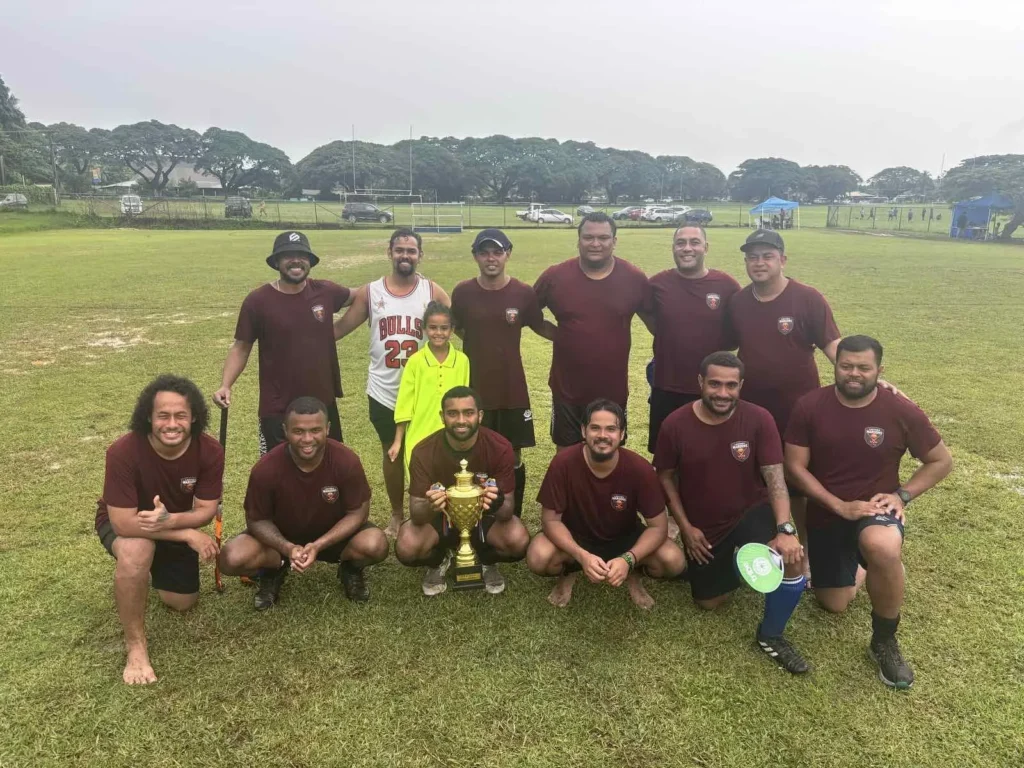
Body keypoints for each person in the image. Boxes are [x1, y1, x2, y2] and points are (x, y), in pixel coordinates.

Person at [784, 336, 952, 689]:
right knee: (834, 603)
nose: (854, 374)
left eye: (864, 367)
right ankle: (872, 566)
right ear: (835, 365)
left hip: (875, 510)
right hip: (828, 511)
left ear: (879, 370)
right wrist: (839, 506)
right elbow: (795, 468)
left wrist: (902, 496)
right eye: (846, 366)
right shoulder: (809, 405)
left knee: (881, 544)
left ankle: (884, 642)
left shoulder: (901, 409)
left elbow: (940, 461)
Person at [654, 352, 809, 673]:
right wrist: (685, 527)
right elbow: (665, 476)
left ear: (741, 385)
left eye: (730, 385)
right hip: (704, 524)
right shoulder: (675, 424)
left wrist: (785, 528)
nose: (722, 393)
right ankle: (735, 564)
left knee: (791, 559)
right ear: (700, 382)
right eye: (714, 384)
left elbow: (774, 477)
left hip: (751, 510)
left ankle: (771, 635)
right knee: (709, 603)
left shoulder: (759, 418)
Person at [95, 375, 224, 685]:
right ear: (148, 417)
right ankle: (136, 648)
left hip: (172, 521)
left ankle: (144, 572)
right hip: (126, 522)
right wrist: (185, 533)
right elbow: (124, 523)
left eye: (181, 415)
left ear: (194, 417)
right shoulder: (122, 451)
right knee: (137, 549)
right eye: (162, 415)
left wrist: (170, 522)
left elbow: (206, 510)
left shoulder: (209, 450)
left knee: (182, 602)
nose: (172, 423)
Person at [727, 229, 842, 551]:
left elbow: (831, 343)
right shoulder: (738, 301)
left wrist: (856, 371)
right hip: (751, 409)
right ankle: (755, 539)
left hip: (798, 410)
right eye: (752, 257)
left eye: (767, 256)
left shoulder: (807, 298)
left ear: (782, 260)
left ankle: (801, 551)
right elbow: (730, 346)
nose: (759, 263)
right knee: (751, 475)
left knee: (796, 482)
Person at [217, 397, 389, 608]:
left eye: (315, 430)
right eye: (298, 431)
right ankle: (272, 570)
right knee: (231, 558)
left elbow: (358, 512)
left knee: (376, 544)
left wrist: (319, 545)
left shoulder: (346, 461)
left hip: (333, 540)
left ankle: (350, 569)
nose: (307, 439)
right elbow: (257, 520)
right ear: (285, 430)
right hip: (281, 543)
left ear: (327, 429)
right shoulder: (266, 469)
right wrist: (287, 548)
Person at [333, 229, 451, 537]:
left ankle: (435, 510)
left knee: (432, 452)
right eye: (400, 250)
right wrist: (301, 333)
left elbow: (459, 326)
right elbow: (338, 330)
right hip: (384, 390)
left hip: (424, 391)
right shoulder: (371, 292)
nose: (405, 256)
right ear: (389, 252)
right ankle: (398, 514)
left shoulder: (431, 291)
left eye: (411, 251)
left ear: (420, 255)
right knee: (392, 453)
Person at [526, 399, 685, 609]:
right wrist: (581, 555)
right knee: (538, 556)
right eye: (595, 428)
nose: (602, 435)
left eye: (611, 429)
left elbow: (658, 526)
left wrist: (628, 559)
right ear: (583, 431)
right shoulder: (563, 463)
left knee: (673, 560)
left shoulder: (640, 469)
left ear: (622, 434)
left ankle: (631, 572)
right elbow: (550, 521)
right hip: (576, 536)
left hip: (624, 538)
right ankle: (570, 571)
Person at [214, 231, 352, 454]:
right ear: (277, 261)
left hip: (322, 404)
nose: (296, 260)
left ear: (310, 261)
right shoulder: (258, 301)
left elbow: (362, 296)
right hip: (277, 408)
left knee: (327, 469)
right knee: (278, 473)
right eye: (288, 255)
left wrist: (335, 331)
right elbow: (241, 346)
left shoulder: (325, 291)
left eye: (302, 255)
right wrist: (225, 385)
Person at [396, 386, 530, 595]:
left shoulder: (500, 447)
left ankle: (486, 560)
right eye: (452, 413)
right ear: (442, 417)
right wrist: (433, 504)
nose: (461, 420)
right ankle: (440, 559)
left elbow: (507, 510)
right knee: (407, 545)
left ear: (480, 415)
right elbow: (416, 513)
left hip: (482, 523)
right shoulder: (423, 450)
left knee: (517, 539)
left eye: (468, 413)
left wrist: (495, 501)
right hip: (441, 523)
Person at [533, 212, 650, 450]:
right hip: (567, 389)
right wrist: (560, 335)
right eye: (588, 237)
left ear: (614, 241)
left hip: (613, 390)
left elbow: (655, 321)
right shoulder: (555, 276)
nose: (595, 244)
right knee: (566, 453)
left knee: (609, 451)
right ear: (578, 240)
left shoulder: (634, 278)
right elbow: (529, 313)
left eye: (603, 238)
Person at [451, 228, 545, 518]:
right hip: (475, 390)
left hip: (512, 389)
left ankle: (511, 515)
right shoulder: (463, 292)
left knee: (512, 454)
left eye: (497, 251)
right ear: (475, 256)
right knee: (474, 454)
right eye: (484, 252)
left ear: (508, 254)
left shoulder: (523, 293)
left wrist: (577, 335)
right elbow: (458, 327)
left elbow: (540, 326)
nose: (491, 258)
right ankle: (476, 516)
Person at [646, 225, 741, 454]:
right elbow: (650, 319)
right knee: (665, 458)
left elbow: (738, 331)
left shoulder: (726, 285)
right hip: (666, 387)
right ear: (673, 248)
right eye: (681, 243)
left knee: (710, 454)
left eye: (694, 242)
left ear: (705, 248)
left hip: (713, 389)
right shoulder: (657, 284)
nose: (687, 248)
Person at [390, 301, 470, 472]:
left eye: (444, 328)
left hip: (452, 435)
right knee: (421, 491)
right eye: (433, 328)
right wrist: (398, 441)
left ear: (452, 330)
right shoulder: (415, 362)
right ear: (424, 329)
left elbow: (466, 401)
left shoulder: (462, 361)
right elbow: (405, 403)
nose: (438, 333)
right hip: (419, 436)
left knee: (450, 489)